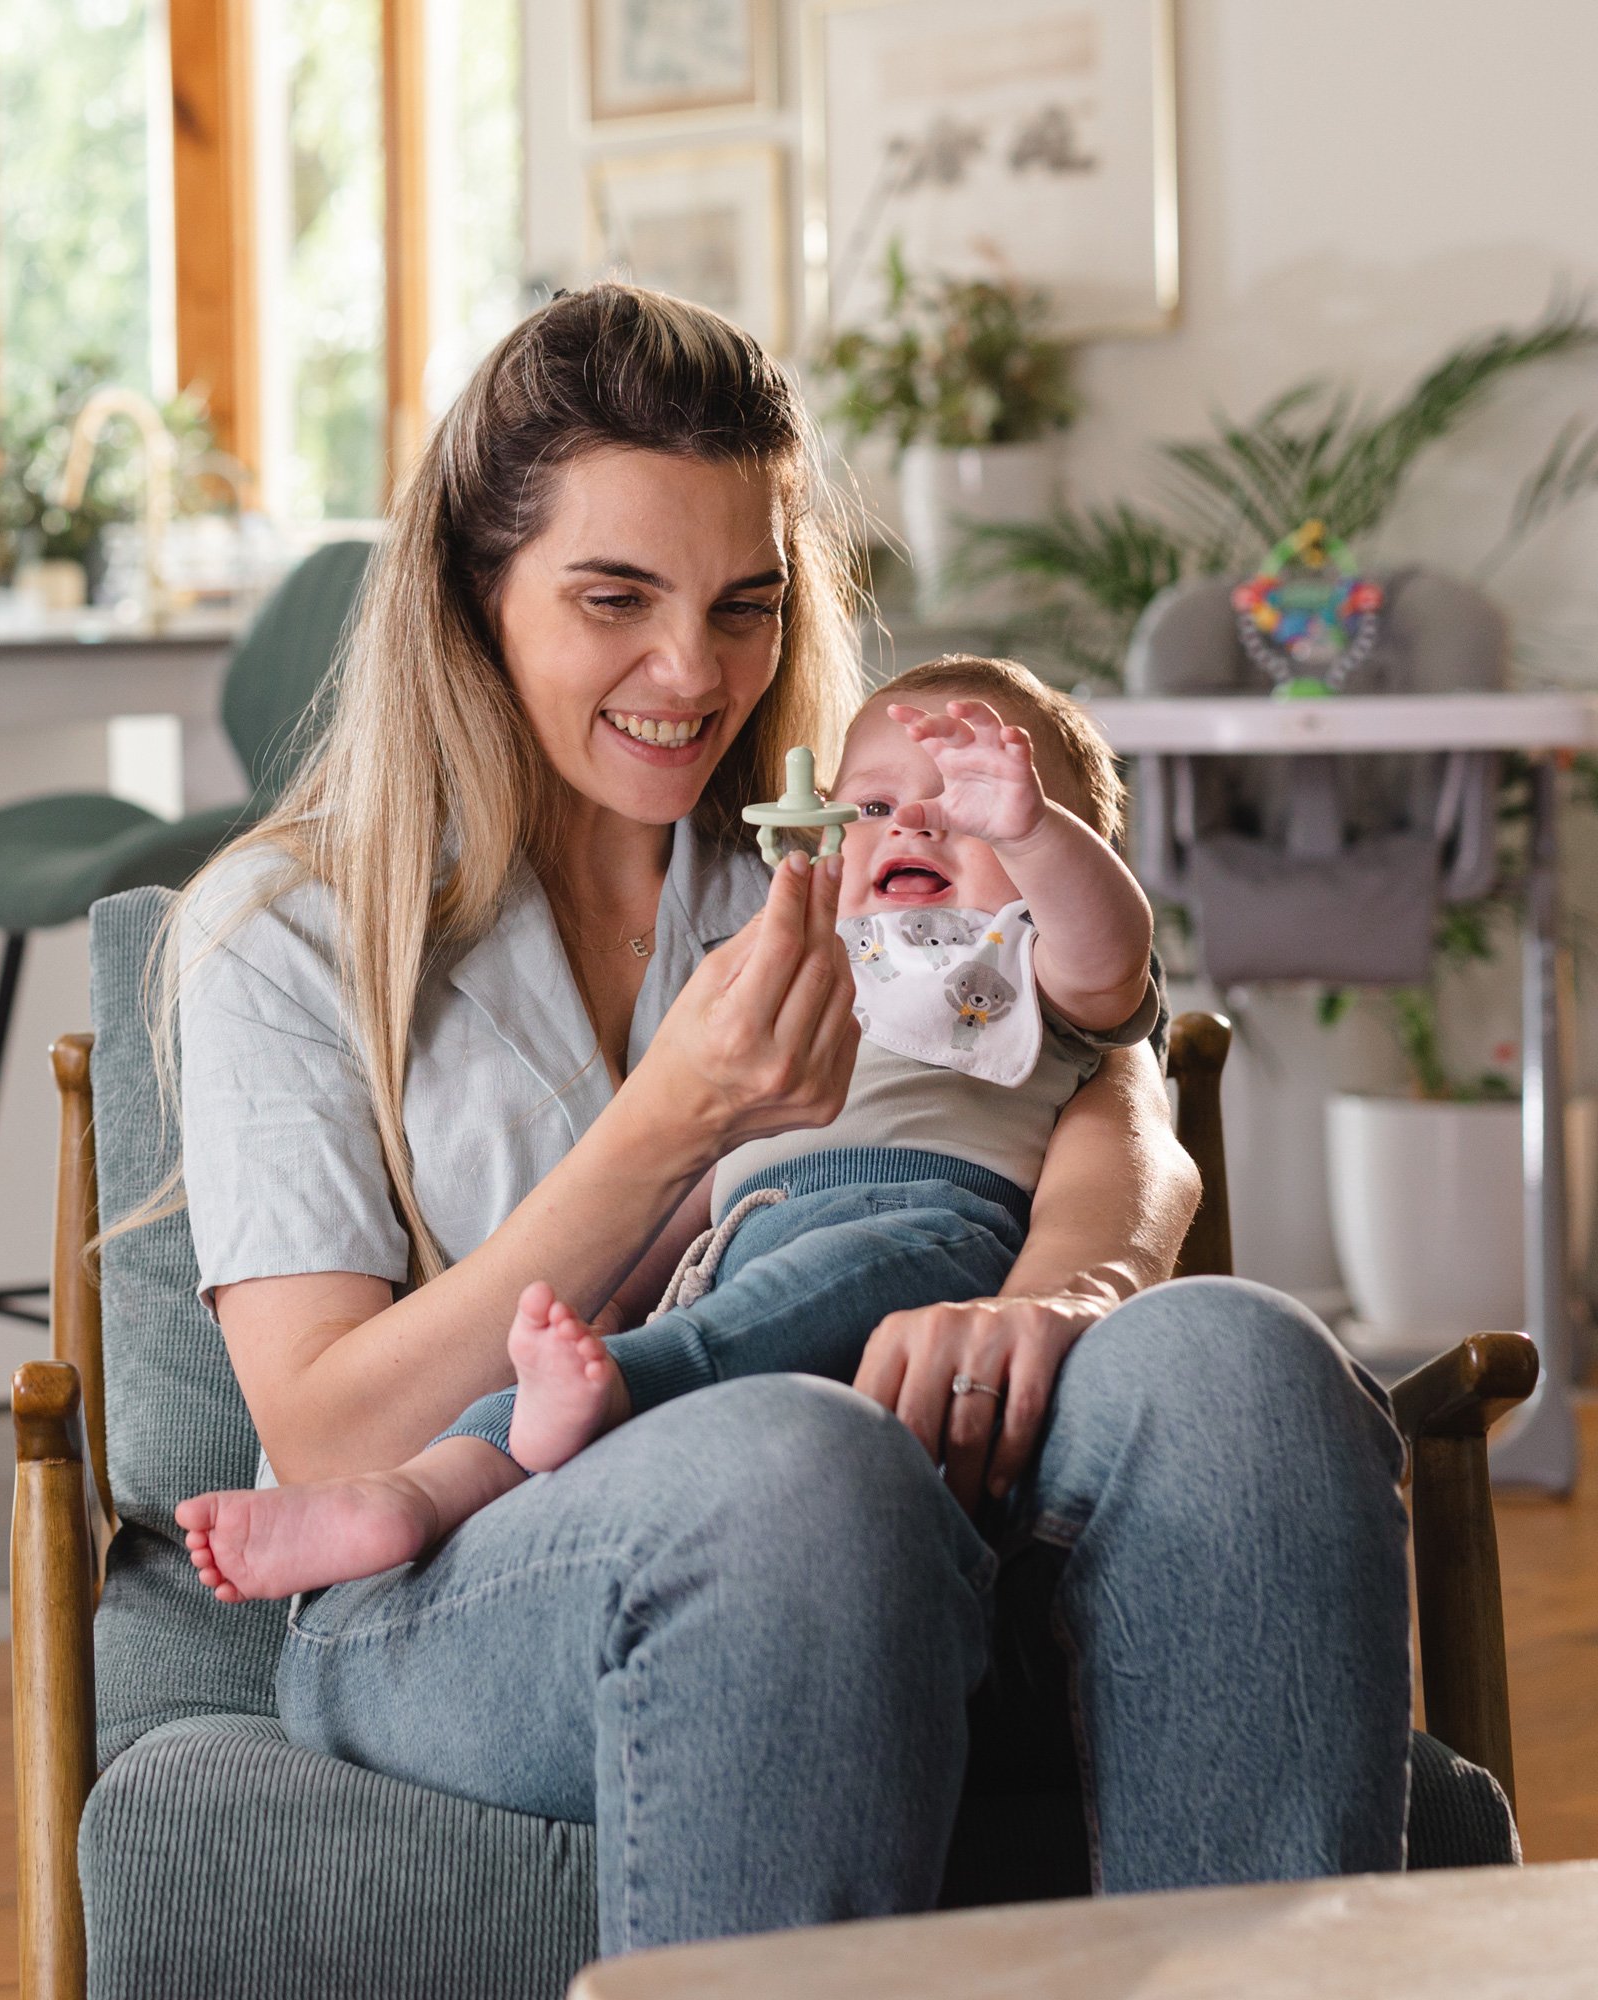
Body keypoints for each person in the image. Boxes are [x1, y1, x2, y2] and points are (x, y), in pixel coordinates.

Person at [158, 282, 1411, 1958]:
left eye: (744, 604)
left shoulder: (841, 857)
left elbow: (1114, 1062)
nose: (693, 674)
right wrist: (658, 1132)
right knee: (794, 1463)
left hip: (921, 1497)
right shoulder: (289, 930)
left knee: (1247, 1364)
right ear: (475, 591)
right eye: (614, 598)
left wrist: (1068, 1294)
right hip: (467, 1581)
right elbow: (325, 1436)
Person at [176, 659, 1163, 1598]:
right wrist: (608, 1303)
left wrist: (1035, 834)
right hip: (739, 1249)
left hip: (924, 1231)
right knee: (587, 1360)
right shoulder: (800, 969)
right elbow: (700, 1166)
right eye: (869, 805)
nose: (914, 820)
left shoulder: (1022, 962)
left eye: (967, 802)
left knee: (668, 1362)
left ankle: (577, 1410)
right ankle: (416, 1494)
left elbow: (1111, 950)